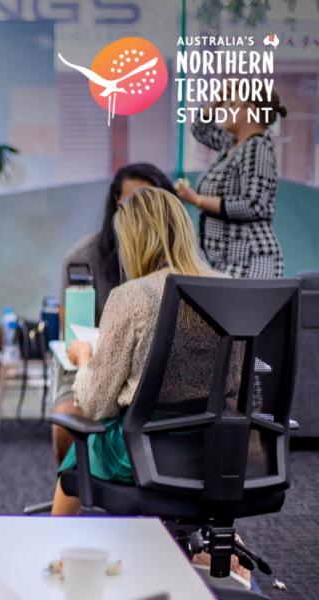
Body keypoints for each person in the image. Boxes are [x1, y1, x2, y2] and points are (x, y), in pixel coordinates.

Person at [51, 187, 220, 517]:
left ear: (135, 240)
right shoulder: (224, 288)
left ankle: (58, 557)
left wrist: (85, 358)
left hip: (143, 451)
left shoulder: (131, 296)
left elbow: (96, 405)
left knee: (76, 462)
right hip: (216, 447)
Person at [51, 163, 175, 463]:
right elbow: (74, 336)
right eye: (131, 203)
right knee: (70, 419)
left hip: (161, 373)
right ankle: (79, 484)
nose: (141, 214)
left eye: (150, 201)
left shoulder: (181, 265)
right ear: (115, 207)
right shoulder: (84, 259)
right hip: (97, 362)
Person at [175, 92, 287, 279]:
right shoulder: (233, 145)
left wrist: (197, 199)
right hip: (229, 260)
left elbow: (255, 206)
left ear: (250, 109)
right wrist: (218, 97)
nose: (225, 110)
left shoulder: (257, 147)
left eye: (232, 105)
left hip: (250, 260)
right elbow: (200, 130)